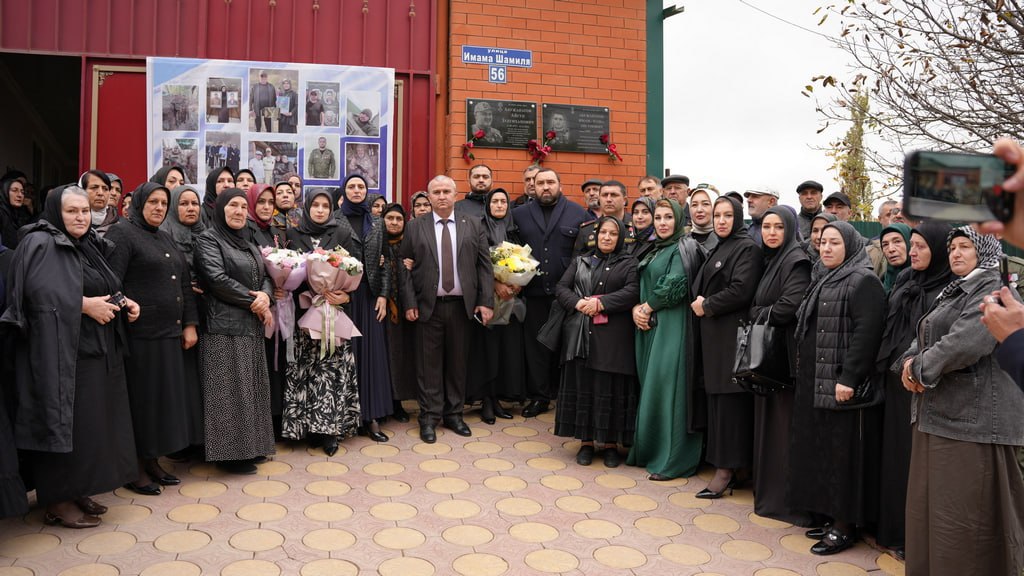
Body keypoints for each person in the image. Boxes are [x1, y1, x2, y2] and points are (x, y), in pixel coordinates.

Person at [1, 185, 139, 528]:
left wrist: (123, 301)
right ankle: (57, 501)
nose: (80, 217)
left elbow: (101, 282)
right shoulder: (39, 242)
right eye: (72, 211)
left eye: (84, 211)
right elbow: (34, 296)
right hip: (59, 355)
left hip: (90, 350)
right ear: (55, 213)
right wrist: (84, 305)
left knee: (86, 428)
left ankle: (77, 490)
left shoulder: (86, 243)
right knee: (61, 424)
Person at [898, 227, 1024, 575]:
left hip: (974, 423)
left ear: (984, 251)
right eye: (952, 247)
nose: (955, 253)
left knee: (965, 527)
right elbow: (925, 334)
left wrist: (917, 368)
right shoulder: (956, 289)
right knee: (934, 518)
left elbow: (967, 342)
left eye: (965, 247)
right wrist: (908, 363)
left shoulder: (994, 286)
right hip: (943, 416)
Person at [790, 221, 886, 555]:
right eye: (823, 242)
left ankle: (845, 526)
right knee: (825, 453)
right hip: (817, 381)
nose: (826, 248)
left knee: (845, 458)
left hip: (841, 385)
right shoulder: (824, 276)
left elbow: (867, 334)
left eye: (835, 242)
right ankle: (831, 517)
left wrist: (849, 378)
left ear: (850, 246)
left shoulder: (863, 280)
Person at [106, 182, 197, 495]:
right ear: (139, 203)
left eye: (163, 203)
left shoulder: (164, 236)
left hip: (169, 334)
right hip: (140, 336)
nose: (159, 208)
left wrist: (190, 324)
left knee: (161, 405)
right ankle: (134, 469)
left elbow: (183, 283)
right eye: (153, 202)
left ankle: (152, 461)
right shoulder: (122, 233)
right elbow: (111, 281)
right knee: (142, 404)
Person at [874, 221, 954, 559]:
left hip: (924, 387)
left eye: (921, 246)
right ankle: (892, 530)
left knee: (917, 463)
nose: (912, 252)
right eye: (913, 246)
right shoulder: (907, 279)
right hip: (894, 382)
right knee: (894, 457)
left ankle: (914, 538)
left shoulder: (950, 288)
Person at [398, 175, 494, 443]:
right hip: (427, 307)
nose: (441, 196)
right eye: (436, 192)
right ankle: (429, 417)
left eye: (446, 191)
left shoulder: (473, 224)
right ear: (429, 197)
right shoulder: (415, 226)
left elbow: (484, 266)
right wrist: (409, 303)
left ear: (455, 194)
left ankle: (454, 414)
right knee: (427, 366)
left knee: (458, 364)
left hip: (462, 307)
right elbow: (403, 267)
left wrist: (486, 301)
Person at [194, 188, 276, 474]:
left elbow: (266, 276)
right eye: (233, 206)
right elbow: (216, 279)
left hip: (250, 325)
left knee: (250, 389)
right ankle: (228, 456)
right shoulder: (208, 239)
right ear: (220, 209)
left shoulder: (248, 243)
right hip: (223, 326)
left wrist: (266, 296)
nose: (239, 211)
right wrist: (256, 302)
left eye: (243, 206)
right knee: (227, 393)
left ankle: (251, 447)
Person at [691, 196, 764, 498]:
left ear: (737, 217)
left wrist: (707, 305)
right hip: (715, 338)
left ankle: (726, 470)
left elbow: (741, 290)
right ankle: (733, 468)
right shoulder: (720, 247)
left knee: (731, 405)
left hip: (731, 337)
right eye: (717, 215)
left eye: (727, 215)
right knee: (719, 403)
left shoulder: (746, 247)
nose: (721, 221)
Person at [554, 216, 640, 467]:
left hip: (614, 339)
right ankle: (587, 443)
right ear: (596, 235)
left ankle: (611, 444)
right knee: (585, 387)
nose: (607, 237)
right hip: (582, 337)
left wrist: (601, 303)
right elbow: (561, 288)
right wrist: (579, 303)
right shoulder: (581, 260)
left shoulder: (629, 262)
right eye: (603, 232)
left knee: (610, 388)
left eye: (613, 233)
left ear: (620, 237)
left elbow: (633, 291)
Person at [627, 199, 703, 480]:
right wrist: (637, 309)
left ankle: (673, 459)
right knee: (653, 387)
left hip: (672, 327)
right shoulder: (657, 248)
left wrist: (645, 308)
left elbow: (674, 285)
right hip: (651, 326)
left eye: (668, 217)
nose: (662, 223)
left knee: (669, 389)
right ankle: (650, 450)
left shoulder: (684, 247)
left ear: (679, 219)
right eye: (658, 217)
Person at [283, 189, 360, 456]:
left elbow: (354, 268)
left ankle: (329, 431)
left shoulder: (341, 233)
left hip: (333, 313)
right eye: (315, 205)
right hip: (304, 313)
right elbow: (287, 270)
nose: (320, 210)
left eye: (325, 205)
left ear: (331, 209)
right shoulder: (293, 234)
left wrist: (346, 294)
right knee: (305, 370)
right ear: (307, 207)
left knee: (330, 372)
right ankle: (309, 428)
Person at [749, 206, 812, 524]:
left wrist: (757, 312)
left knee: (782, 429)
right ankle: (769, 496)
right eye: (766, 227)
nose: (771, 233)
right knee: (769, 427)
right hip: (769, 356)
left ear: (790, 229)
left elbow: (788, 307)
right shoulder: (771, 260)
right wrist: (761, 309)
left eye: (778, 227)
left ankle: (785, 502)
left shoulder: (796, 261)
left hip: (784, 358)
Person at [512, 168, 589, 417]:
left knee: (567, 346)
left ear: (560, 185)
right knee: (536, 348)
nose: (546, 187)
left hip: (567, 295)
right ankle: (540, 397)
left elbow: (586, 253)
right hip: (533, 293)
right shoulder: (519, 214)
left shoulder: (578, 213)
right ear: (533, 186)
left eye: (550, 182)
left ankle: (566, 396)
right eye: (540, 183)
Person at [335, 175, 393, 441]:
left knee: (371, 356)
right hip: (343, 298)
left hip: (369, 298)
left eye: (361, 187)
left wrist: (383, 295)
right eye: (352, 187)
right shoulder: (334, 219)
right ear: (344, 191)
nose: (357, 190)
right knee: (345, 358)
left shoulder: (377, 223)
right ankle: (345, 417)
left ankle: (371, 417)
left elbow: (385, 261)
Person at [468, 188, 525, 423]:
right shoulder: (478, 228)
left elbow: (524, 261)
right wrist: (495, 283)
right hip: (486, 300)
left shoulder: (515, 229)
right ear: (487, 205)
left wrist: (517, 283)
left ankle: (498, 399)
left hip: (511, 302)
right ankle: (486, 401)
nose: (499, 205)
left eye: (503, 201)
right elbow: (472, 262)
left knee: (505, 352)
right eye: (495, 201)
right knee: (487, 352)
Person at [159, 184, 206, 454]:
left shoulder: (206, 234)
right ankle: (180, 442)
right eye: (184, 203)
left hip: (205, 313)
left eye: (194, 203)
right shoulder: (165, 235)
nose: (190, 208)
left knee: (200, 379)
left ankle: (200, 438)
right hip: (177, 317)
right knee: (181, 379)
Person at [381, 202, 416, 423]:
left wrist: (415, 265)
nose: (394, 223)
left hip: (405, 310)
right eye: (390, 218)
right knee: (383, 358)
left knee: (401, 357)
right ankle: (384, 402)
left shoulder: (410, 244)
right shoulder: (376, 242)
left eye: (399, 219)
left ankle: (398, 403)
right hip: (381, 310)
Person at [81, 170, 118, 237]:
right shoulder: (71, 223)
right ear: (82, 190)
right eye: (94, 187)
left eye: (105, 189)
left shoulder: (118, 225)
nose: (100, 193)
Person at [879, 223, 911, 294]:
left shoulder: (925, 280)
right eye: (885, 244)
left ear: (909, 243)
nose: (891, 249)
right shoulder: (883, 280)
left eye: (897, 241)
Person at [0, 177, 31, 249]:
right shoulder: (1, 213)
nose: (19, 195)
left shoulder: (20, 215)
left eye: (22, 192)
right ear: (5, 192)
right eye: (14, 190)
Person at [627, 197, 656, 262]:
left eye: (645, 212)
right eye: (636, 212)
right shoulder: (631, 237)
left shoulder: (658, 242)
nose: (639, 216)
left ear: (654, 214)